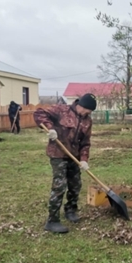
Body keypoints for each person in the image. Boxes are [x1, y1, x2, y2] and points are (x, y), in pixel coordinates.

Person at [33, 93, 97, 234]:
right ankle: (52, 221)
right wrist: (51, 128)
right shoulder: (61, 110)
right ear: (81, 105)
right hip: (58, 154)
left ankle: (71, 210)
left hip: (73, 156)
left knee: (75, 184)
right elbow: (39, 113)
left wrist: (84, 159)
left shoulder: (87, 121)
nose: (88, 113)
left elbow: (85, 142)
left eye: (90, 112)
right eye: (88, 110)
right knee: (59, 186)